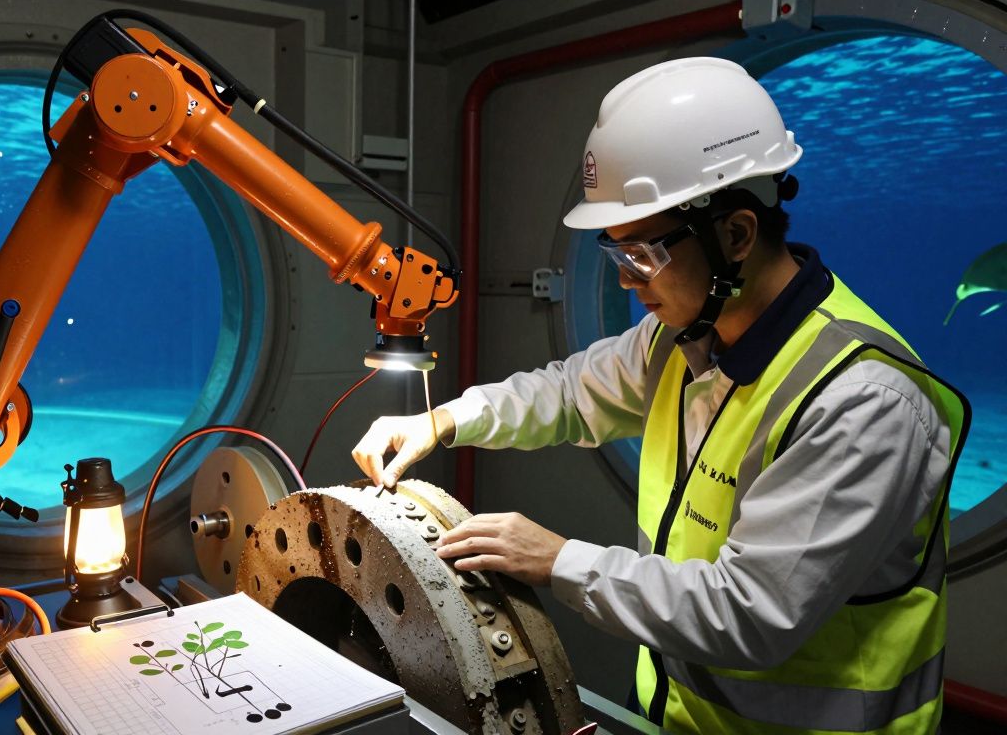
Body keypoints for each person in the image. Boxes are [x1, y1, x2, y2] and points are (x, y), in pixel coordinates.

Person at [352, 57, 967, 734]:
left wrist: (557, 559)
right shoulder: (679, 339)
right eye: (616, 256)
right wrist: (443, 420)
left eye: (641, 256)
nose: (625, 283)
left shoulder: (861, 401)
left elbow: (751, 615)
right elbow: (566, 394)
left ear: (734, 234)